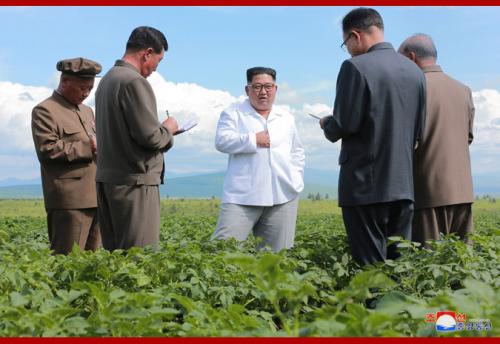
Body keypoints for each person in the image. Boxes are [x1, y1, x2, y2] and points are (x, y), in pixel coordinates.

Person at [319, 8, 426, 265]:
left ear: (355, 35)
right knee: (399, 264)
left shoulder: (355, 67)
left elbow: (345, 124)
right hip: (403, 187)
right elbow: (418, 132)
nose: (348, 49)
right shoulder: (415, 72)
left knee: (371, 268)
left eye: (346, 43)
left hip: (365, 186)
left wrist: (327, 124)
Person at [95, 26, 178, 251]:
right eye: (157, 62)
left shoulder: (108, 80)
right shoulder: (135, 82)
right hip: (134, 184)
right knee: (139, 258)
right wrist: (169, 129)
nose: (154, 69)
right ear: (147, 53)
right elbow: (150, 138)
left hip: (109, 181)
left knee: (115, 257)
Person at [212, 67, 305, 252]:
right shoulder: (233, 113)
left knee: (277, 257)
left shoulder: (286, 117)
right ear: (247, 90)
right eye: (257, 87)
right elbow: (222, 141)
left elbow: (297, 151)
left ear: (276, 89)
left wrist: (296, 179)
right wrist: (254, 139)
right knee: (223, 250)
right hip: (242, 196)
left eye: (268, 86)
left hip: (282, 195)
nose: (263, 92)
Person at [398, 34, 475, 247]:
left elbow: (404, 142)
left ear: (411, 57)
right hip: (463, 192)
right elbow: (467, 138)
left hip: (426, 193)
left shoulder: (411, 90)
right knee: (463, 266)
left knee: (427, 266)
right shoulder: (463, 90)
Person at [31, 57, 102, 254]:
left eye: (90, 88)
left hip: (95, 196)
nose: (86, 93)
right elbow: (48, 150)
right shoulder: (45, 110)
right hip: (69, 201)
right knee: (67, 263)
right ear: (64, 82)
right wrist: (89, 146)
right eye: (82, 87)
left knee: (94, 265)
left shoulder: (87, 111)